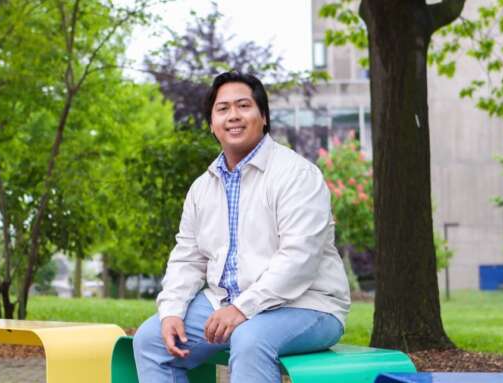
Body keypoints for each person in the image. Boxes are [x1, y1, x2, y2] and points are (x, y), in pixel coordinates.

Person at [132, 71, 351, 382]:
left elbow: (298, 260)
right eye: (222, 109)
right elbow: (187, 259)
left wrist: (242, 309)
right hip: (224, 303)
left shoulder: (297, 175)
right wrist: (171, 310)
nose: (233, 116)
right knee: (151, 340)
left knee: (249, 338)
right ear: (211, 124)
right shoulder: (202, 188)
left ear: (263, 117)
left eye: (243, 106)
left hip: (308, 304)